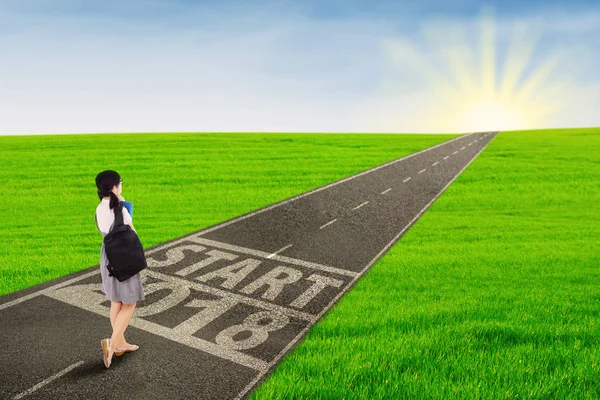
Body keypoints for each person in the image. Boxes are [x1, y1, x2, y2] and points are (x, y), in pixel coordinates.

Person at [94, 170, 145, 369]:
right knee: (130, 303)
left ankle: (121, 344)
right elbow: (132, 231)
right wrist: (124, 204)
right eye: (120, 182)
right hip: (124, 256)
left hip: (108, 255)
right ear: (114, 187)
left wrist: (120, 202)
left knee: (116, 300)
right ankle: (112, 344)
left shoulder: (99, 208)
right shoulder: (120, 209)